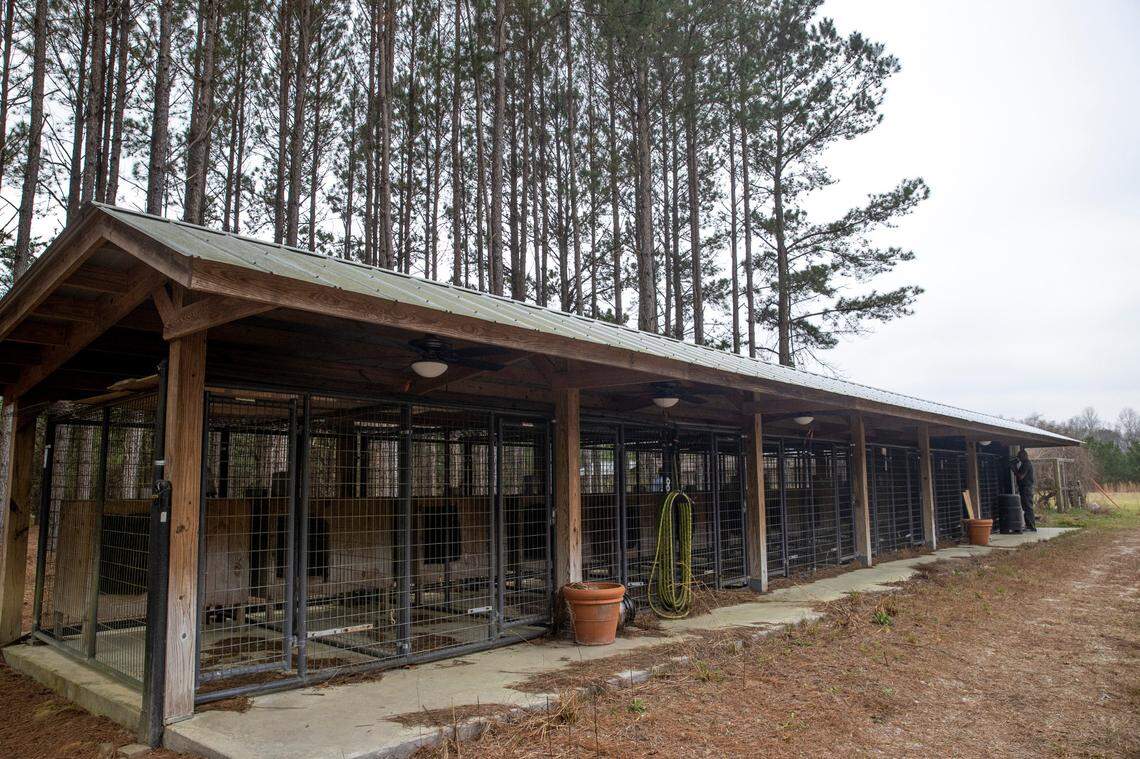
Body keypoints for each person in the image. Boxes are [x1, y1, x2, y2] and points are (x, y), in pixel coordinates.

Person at [1011, 450, 1037, 532]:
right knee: (1026, 507)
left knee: (1028, 507)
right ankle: (1029, 525)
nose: (1019, 458)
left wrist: (1014, 468)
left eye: (1020, 456)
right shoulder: (1025, 464)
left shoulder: (1026, 464)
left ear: (1024, 455)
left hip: (1026, 488)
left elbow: (1020, 476)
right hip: (1025, 488)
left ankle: (1031, 526)